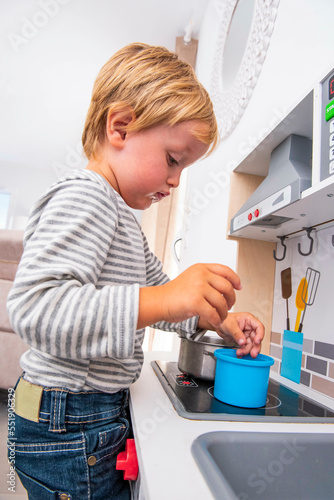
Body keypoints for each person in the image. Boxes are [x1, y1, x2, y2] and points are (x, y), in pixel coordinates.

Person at [7, 43, 264, 500]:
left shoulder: (125, 219)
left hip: (85, 418)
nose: (175, 181)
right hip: (66, 422)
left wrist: (218, 321)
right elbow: (37, 309)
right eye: (172, 159)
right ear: (120, 127)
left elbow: (161, 297)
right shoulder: (84, 197)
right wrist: (167, 298)